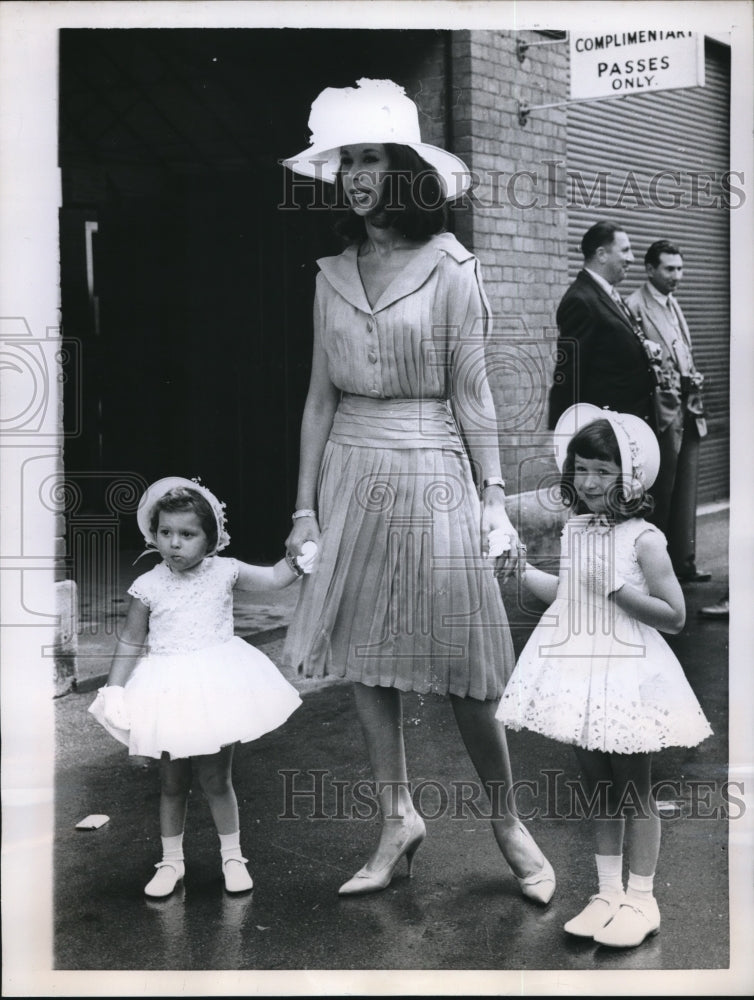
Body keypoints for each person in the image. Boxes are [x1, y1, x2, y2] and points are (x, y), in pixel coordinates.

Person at [281, 78, 555, 902]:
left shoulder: (451, 269)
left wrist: (494, 496)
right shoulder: (329, 272)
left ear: (402, 171)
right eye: (347, 161)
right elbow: (319, 397)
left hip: (432, 465)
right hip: (351, 471)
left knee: (463, 660)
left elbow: (473, 393)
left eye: (371, 158)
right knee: (366, 655)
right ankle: (396, 817)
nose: (356, 174)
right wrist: (302, 508)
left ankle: (508, 821)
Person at [497, 405, 712, 947]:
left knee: (633, 789)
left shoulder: (644, 539)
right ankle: (608, 892)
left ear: (629, 478)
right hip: (577, 665)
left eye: (603, 471)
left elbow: (677, 615)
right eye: (581, 469)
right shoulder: (578, 528)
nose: (589, 482)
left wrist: (616, 591)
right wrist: (521, 570)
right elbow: (570, 593)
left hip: (624, 670)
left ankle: (643, 898)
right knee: (597, 789)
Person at [89, 477, 311, 898]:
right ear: (153, 535)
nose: (174, 543)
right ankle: (171, 862)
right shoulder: (148, 586)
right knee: (172, 783)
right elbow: (132, 640)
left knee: (216, 779)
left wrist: (304, 556)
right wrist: (114, 690)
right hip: (167, 690)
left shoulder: (224, 571)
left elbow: (276, 578)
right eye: (166, 533)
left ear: (210, 540)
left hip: (215, 687)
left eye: (187, 534)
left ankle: (233, 856)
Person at [626, 240, 710, 583]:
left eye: (680, 268)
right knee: (661, 491)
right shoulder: (634, 305)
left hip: (687, 408)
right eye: (669, 269)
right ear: (650, 269)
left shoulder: (672, 304)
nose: (677, 275)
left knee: (686, 489)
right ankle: (656, 572)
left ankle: (683, 562)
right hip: (660, 413)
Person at [548, 221, 660, 430]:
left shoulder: (607, 294)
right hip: (608, 429)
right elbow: (570, 374)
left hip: (627, 422)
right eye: (625, 250)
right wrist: (563, 433)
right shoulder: (581, 300)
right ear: (601, 254)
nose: (632, 259)